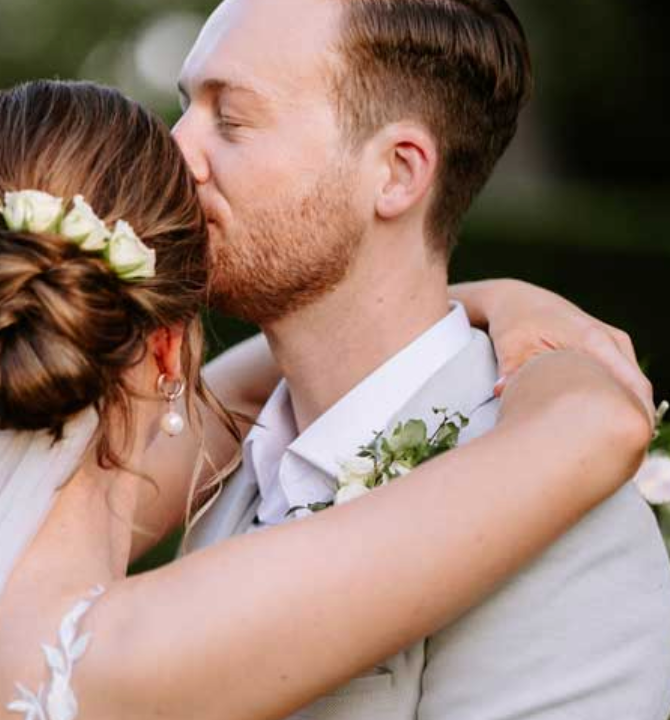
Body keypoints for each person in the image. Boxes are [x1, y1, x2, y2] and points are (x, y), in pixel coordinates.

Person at [0, 81, 657, 720]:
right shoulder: (128, 651)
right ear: (170, 344)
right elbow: (600, 423)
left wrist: (479, 300)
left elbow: (239, 386)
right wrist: (520, 307)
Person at [172, 0, 670, 718]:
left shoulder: (562, 511)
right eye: (186, 106)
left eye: (233, 118)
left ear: (398, 175)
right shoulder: (222, 461)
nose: (173, 148)